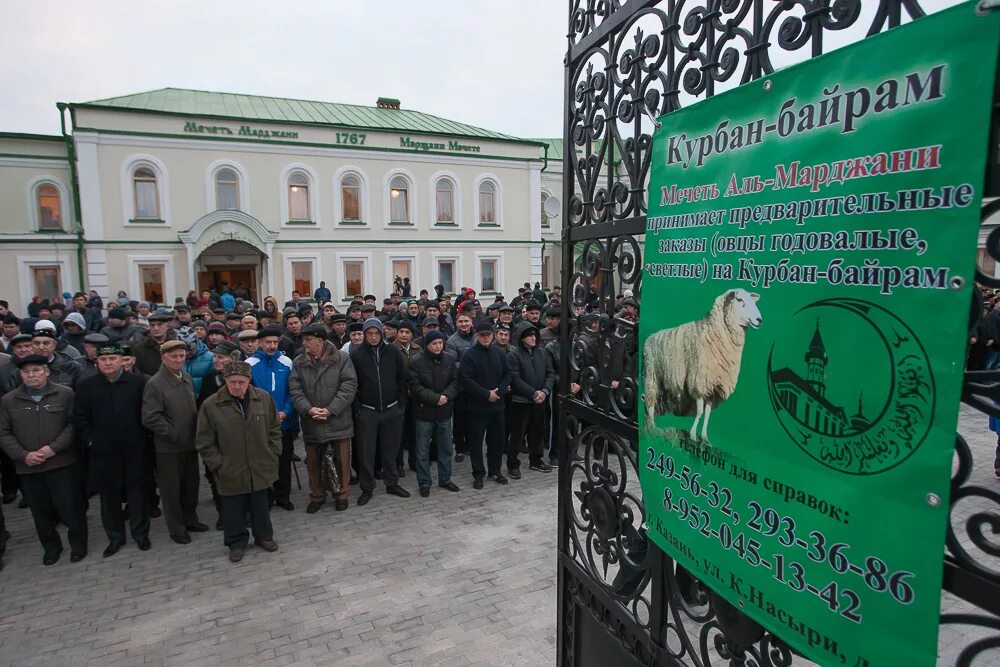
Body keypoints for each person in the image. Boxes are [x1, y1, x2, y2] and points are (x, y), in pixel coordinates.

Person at [0, 354, 87, 565]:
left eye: (36, 370)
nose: (31, 375)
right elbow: (3, 432)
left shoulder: (65, 394)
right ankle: (51, 548)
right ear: (20, 374)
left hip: (61, 462)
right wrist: (24, 455)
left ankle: (78, 545)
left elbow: (72, 425)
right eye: (26, 372)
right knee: (40, 511)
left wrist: (52, 449)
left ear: (46, 372)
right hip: (28, 467)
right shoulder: (9, 400)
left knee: (70, 506)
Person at [196, 360, 281, 563]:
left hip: (260, 465)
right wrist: (218, 464)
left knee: (261, 506)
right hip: (230, 468)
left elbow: (274, 429)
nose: (236, 386)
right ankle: (236, 543)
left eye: (241, 382)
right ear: (225, 380)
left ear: (248, 380)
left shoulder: (263, 398)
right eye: (232, 382)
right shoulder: (211, 405)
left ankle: (264, 537)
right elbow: (204, 441)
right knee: (232, 510)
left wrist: (273, 453)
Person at [72, 343, 151, 557]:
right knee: (109, 498)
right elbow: (79, 418)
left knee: (137, 494)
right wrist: (90, 440)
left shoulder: (136, 383)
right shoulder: (87, 386)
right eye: (103, 359)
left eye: (113, 359)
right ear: (97, 362)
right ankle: (115, 537)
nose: (108, 363)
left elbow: (145, 413)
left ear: (121, 360)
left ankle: (141, 534)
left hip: (134, 449)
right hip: (103, 452)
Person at [142, 340, 206, 544]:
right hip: (169, 447)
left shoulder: (185, 377)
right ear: (163, 358)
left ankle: (190, 519)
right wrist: (172, 433)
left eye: (181, 356)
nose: (179, 360)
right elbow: (150, 417)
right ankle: (176, 528)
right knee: (171, 490)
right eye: (174, 357)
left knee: (191, 485)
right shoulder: (155, 383)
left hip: (189, 444)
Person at [289, 324, 357, 513]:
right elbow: (295, 390)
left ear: (321, 340)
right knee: (313, 462)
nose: (305, 343)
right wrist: (308, 409)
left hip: (338, 419)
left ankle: (342, 494)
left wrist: (331, 409)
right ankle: (317, 495)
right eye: (304, 340)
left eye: (308, 340)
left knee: (342, 461)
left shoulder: (342, 359)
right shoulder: (299, 362)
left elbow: (349, 386)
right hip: (312, 421)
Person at [350, 318, 410, 504]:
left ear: (382, 333)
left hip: (392, 409)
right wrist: (358, 408)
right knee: (366, 452)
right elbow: (353, 383)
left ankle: (392, 483)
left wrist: (401, 405)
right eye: (370, 334)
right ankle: (367, 487)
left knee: (390, 449)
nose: (374, 337)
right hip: (368, 411)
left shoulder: (392, 351)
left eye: (376, 333)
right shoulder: (357, 355)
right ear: (365, 334)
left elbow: (402, 378)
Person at [246, 326, 297, 511]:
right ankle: (266, 496)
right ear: (260, 343)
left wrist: (287, 411)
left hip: (285, 421)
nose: (272, 346)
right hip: (260, 424)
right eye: (268, 342)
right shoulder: (249, 364)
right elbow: (247, 395)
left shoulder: (286, 362)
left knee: (284, 460)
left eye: (275, 342)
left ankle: (283, 496)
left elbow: (294, 391)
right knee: (264, 461)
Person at [458, 321, 511, 488]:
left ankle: (495, 470)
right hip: (477, 407)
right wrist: (487, 394)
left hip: (498, 406)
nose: (486, 337)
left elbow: (508, 374)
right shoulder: (469, 355)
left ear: (493, 335)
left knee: (497, 441)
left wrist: (499, 392)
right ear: (477, 336)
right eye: (482, 335)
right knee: (476, 442)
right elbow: (466, 380)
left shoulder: (499, 353)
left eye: (488, 334)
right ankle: (478, 473)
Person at [408, 330, 460, 497]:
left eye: (440, 343)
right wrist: (436, 398)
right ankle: (424, 482)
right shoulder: (416, 361)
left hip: (445, 411)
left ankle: (445, 479)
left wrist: (446, 396)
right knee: (422, 451)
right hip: (425, 412)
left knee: (445, 448)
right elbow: (415, 387)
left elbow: (456, 381)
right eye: (434, 344)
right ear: (427, 345)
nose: (438, 346)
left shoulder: (450, 359)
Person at [506, 322, 555, 477]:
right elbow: (515, 379)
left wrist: (545, 391)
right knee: (517, 435)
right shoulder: (513, 355)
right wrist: (534, 394)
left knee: (537, 433)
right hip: (521, 403)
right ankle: (513, 464)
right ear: (521, 338)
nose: (533, 338)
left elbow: (550, 373)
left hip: (540, 401)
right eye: (529, 336)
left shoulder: (542, 353)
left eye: (535, 335)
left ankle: (536, 460)